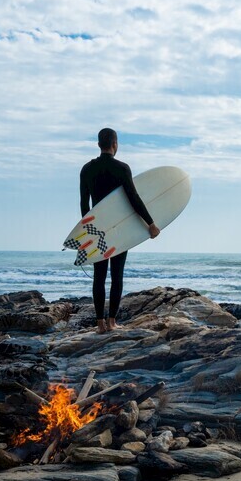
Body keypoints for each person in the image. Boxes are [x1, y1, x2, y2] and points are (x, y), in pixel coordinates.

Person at [79, 128, 160, 333]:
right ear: (115, 144)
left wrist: (88, 230)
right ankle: (112, 322)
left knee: (99, 276)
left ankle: (99, 325)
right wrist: (150, 223)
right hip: (119, 230)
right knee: (117, 275)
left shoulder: (86, 169)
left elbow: (84, 204)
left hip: (98, 229)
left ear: (99, 144)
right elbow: (134, 199)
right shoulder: (122, 168)